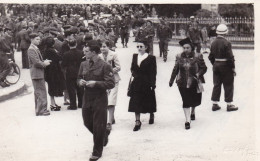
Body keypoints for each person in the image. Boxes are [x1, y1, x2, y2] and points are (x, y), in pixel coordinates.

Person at [78, 40, 115, 161]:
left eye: (86, 51)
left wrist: (96, 83)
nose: (84, 54)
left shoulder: (105, 65)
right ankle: (104, 135)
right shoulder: (83, 64)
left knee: (98, 125)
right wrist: (80, 82)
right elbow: (78, 77)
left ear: (93, 52)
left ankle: (97, 152)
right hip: (87, 97)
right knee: (87, 122)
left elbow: (111, 83)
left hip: (100, 98)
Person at [169, 38, 207, 129]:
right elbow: (175, 69)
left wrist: (198, 74)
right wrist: (171, 80)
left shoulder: (198, 56)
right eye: (184, 48)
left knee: (194, 99)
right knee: (185, 100)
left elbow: (204, 68)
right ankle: (187, 120)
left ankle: (193, 111)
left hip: (194, 81)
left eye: (187, 48)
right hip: (182, 82)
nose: (185, 49)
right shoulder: (178, 56)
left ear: (192, 48)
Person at [208, 24, 238, 112]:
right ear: (225, 32)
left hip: (216, 65)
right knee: (228, 84)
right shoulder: (227, 43)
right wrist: (233, 68)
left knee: (216, 84)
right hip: (226, 66)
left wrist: (215, 63)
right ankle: (229, 105)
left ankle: (215, 104)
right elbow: (230, 57)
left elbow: (210, 56)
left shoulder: (213, 42)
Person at [128, 40, 157, 131]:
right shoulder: (135, 56)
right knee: (136, 100)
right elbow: (132, 67)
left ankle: (151, 114)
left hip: (147, 82)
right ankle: (137, 121)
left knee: (149, 100)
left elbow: (153, 72)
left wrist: (152, 83)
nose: (139, 48)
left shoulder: (151, 58)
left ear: (146, 47)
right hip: (137, 82)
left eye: (141, 46)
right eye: (138, 46)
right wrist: (134, 74)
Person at [27, 33, 52, 116]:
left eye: (39, 39)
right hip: (36, 73)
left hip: (38, 73)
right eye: (37, 39)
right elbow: (36, 62)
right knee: (41, 91)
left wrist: (44, 61)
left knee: (39, 91)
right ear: (32, 39)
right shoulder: (31, 49)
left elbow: (37, 60)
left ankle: (40, 109)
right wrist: (44, 63)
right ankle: (41, 110)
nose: (39, 41)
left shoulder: (34, 48)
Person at [99, 40, 121, 131]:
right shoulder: (99, 56)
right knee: (105, 100)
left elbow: (118, 67)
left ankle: (109, 122)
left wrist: (110, 71)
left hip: (113, 80)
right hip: (103, 81)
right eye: (101, 47)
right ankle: (111, 117)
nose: (102, 48)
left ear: (108, 46)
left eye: (104, 46)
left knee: (111, 100)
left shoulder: (114, 55)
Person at [43, 37, 65, 111]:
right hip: (54, 71)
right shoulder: (52, 51)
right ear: (53, 43)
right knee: (52, 87)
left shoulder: (45, 50)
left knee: (51, 86)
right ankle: (52, 104)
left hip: (48, 71)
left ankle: (53, 103)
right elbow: (60, 58)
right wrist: (57, 52)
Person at [61, 38, 84, 110]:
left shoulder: (66, 54)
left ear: (68, 45)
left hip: (70, 73)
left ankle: (73, 105)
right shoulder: (81, 53)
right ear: (76, 44)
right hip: (79, 72)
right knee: (80, 88)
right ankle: (81, 103)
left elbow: (63, 65)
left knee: (71, 90)